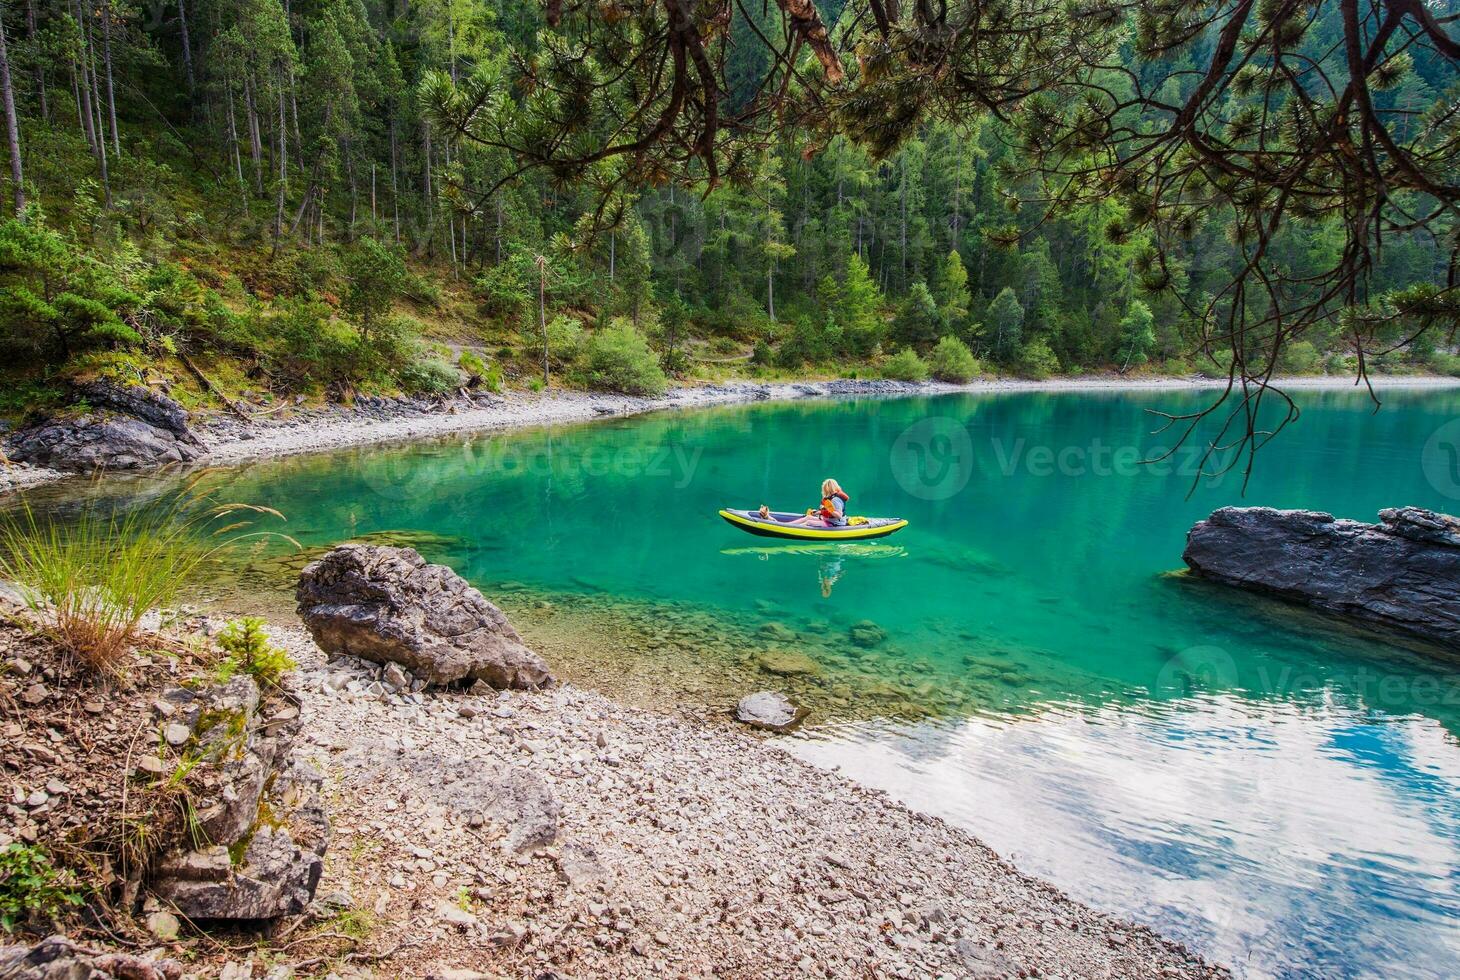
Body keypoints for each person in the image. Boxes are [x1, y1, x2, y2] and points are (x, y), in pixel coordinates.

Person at [761, 479, 850, 527]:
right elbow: (827, 511)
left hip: (834, 524)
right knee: (808, 517)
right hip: (828, 521)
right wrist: (818, 512)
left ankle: (786, 528)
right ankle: (784, 526)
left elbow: (838, 515)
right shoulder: (830, 498)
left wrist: (830, 510)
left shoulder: (835, 500)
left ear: (827, 489)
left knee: (809, 522)